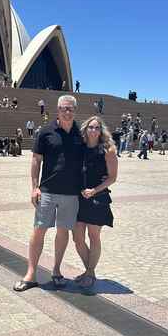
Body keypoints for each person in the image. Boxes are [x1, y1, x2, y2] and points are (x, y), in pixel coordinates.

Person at [13, 95, 83, 292]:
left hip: (71, 193)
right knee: (38, 230)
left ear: (75, 110)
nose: (67, 112)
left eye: (70, 109)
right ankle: (31, 273)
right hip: (48, 191)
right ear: (57, 109)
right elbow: (36, 160)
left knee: (63, 232)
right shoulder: (46, 132)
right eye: (63, 108)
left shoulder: (81, 134)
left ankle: (57, 270)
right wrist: (34, 187)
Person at [72, 116, 118, 290]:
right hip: (79, 197)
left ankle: (90, 273)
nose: (93, 130)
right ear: (85, 129)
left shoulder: (108, 149)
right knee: (77, 238)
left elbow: (112, 177)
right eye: (90, 127)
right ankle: (88, 270)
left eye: (97, 128)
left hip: (97, 198)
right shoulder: (80, 148)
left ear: (101, 130)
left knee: (93, 236)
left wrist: (95, 190)